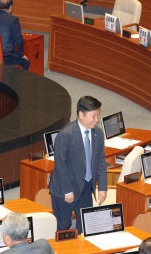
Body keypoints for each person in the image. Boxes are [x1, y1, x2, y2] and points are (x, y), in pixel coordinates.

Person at [48, 96, 107, 233]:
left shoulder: (98, 133)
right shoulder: (66, 134)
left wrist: (102, 187)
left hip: (86, 188)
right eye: (93, 116)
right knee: (63, 227)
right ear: (81, 114)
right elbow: (60, 164)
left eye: (98, 115)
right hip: (64, 190)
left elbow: (101, 160)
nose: (97, 119)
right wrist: (67, 190)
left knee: (85, 227)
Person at [0, 0, 30, 70]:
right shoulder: (13, 20)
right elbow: (19, 40)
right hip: (7, 58)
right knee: (26, 62)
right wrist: (21, 55)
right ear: (10, 7)